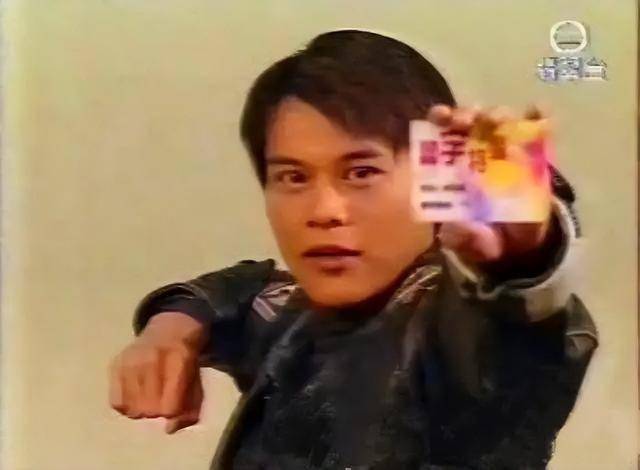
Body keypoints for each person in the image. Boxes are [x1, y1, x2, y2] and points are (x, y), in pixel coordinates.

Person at [108, 30, 598, 469]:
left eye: (361, 173)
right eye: (293, 177)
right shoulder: (290, 314)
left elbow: (511, 326)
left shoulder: (445, 329)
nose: (325, 211)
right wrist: (172, 330)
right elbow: (241, 290)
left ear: (437, 179)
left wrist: (520, 260)